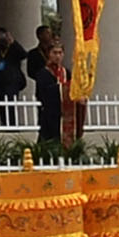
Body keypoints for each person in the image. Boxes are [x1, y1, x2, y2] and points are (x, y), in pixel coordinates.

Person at [26, 24, 70, 152]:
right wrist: (60, 89)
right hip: (49, 114)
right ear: (49, 54)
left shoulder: (66, 72)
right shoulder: (43, 73)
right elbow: (42, 93)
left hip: (65, 115)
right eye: (54, 53)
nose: (57, 56)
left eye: (60, 53)